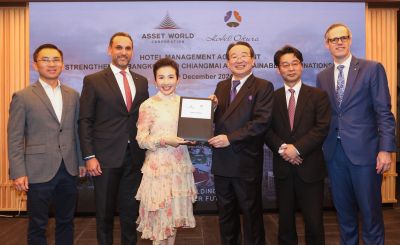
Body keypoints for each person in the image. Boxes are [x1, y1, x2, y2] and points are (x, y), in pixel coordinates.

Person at [316, 23, 396, 245]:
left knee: (370, 214)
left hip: (366, 155)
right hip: (334, 155)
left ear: (350, 40)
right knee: (344, 214)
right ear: (327, 44)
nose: (339, 42)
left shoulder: (372, 68)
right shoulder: (322, 77)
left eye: (343, 37)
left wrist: (385, 149)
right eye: (334, 39)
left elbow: (384, 112)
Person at [8, 43, 85, 245]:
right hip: (37, 170)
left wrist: (81, 161)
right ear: (36, 65)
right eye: (45, 60)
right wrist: (18, 171)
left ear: (62, 64)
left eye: (56, 60)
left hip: (68, 168)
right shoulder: (23, 96)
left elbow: (76, 132)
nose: (51, 64)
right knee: (37, 224)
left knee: (66, 222)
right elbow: (14, 137)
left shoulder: (73, 95)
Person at [79, 32, 149, 244]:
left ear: (132, 52)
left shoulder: (142, 81)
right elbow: (85, 121)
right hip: (104, 158)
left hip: (134, 157)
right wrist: (89, 155)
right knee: (105, 213)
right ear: (110, 50)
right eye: (119, 48)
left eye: (128, 48)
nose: (123, 52)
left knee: (130, 213)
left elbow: (146, 117)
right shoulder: (93, 80)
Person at [208, 41, 274, 245]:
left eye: (244, 55)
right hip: (222, 161)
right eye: (234, 56)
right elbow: (219, 121)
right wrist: (210, 109)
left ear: (253, 60)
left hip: (245, 160)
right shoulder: (221, 86)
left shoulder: (263, 86)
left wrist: (230, 139)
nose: (239, 60)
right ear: (228, 63)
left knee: (251, 214)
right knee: (226, 214)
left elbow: (260, 123)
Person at [265, 45, 330, 244]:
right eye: (285, 65)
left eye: (294, 63)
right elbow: (266, 130)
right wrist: (285, 149)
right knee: (285, 223)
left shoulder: (318, 95)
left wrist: (297, 148)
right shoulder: (272, 98)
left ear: (301, 66)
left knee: (314, 222)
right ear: (278, 69)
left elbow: (321, 128)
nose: (290, 68)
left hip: (310, 167)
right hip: (283, 168)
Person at [135, 57, 197, 245]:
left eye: (171, 77)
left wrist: (194, 138)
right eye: (161, 77)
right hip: (157, 170)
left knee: (173, 219)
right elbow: (141, 140)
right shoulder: (148, 105)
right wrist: (164, 140)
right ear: (155, 80)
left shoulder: (186, 104)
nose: (166, 82)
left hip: (179, 168)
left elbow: (194, 131)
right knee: (159, 221)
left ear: (178, 79)